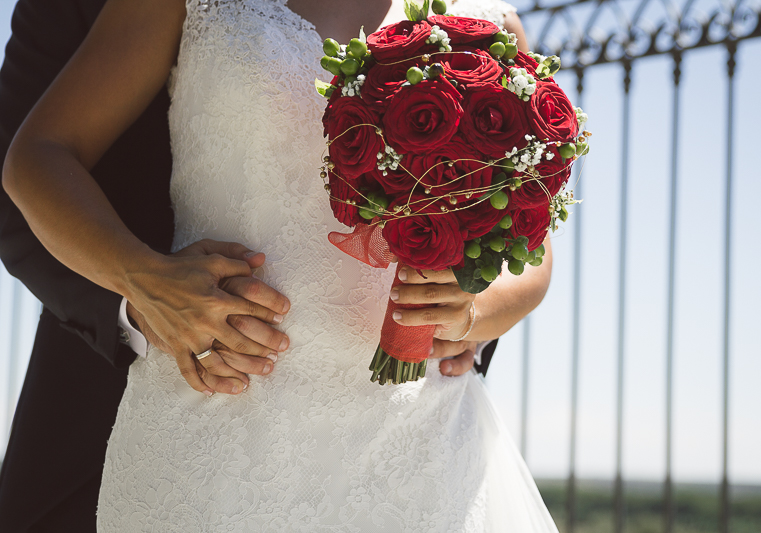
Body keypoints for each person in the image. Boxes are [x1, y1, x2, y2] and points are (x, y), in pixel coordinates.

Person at [2, 0, 556, 530]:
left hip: (419, 450)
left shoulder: (491, 29)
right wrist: (141, 278)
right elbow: (37, 156)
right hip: (215, 429)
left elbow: (533, 242)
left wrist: (472, 308)